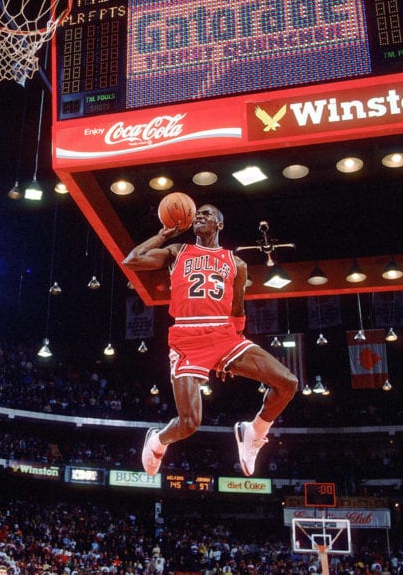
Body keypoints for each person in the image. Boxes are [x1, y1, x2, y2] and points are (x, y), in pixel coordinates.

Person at [123, 204, 298, 476]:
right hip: (187, 337)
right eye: (198, 214)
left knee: (288, 383)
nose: (201, 216)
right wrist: (163, 235)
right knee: (189, 423)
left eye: (208, 214)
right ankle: (157, 440)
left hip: (225, 335)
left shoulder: (236, 263)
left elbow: (238, 308)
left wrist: (234, 352)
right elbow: (131, 260)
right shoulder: (177, 251)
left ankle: (254, 432)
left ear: (219, 225)